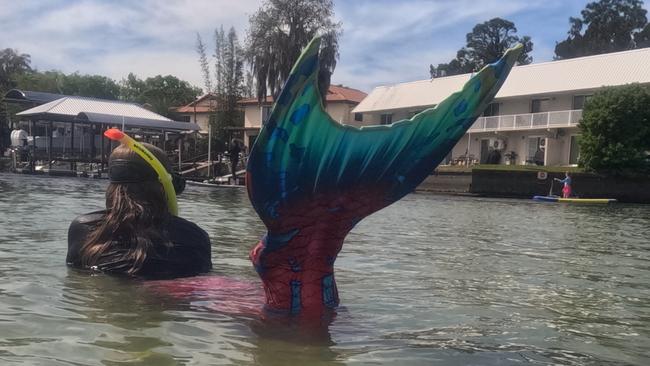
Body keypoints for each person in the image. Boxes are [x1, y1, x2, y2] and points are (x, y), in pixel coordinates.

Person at [67, 143, 212, 278]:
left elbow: (76, 278)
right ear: (168, 186)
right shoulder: (195, 236)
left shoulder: (84, 227)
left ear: (112, 186)